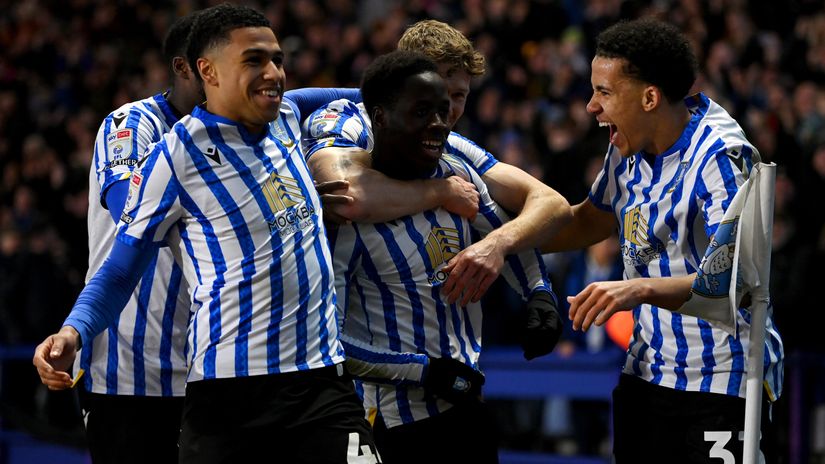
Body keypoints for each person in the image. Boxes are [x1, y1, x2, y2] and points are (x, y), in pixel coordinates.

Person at [32, 4, 379, 463]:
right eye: (255, 61)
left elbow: (312, 96)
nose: (274, 73)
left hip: (319, 381)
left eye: (277, 59)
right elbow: (123, 251)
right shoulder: (163, 147)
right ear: (204, 70)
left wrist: (393, 87)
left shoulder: (285, 119)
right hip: (199, 382)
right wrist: (73, 332)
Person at [539, 18, 784, 463]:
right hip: (646, 374)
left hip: (720, 379)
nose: (591, 106)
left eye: (604, 92)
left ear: (650, 97)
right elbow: (590, 220)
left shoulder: (721, 157)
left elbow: (736, 283)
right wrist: (499, 242)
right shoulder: (625, 145)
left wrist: (636, 289)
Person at [303, 50, 561, 464]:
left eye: (445, 110)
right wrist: (422, 370)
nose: (439, 124)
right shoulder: (342, 213)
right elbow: (325, 341)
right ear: (380, 117)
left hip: (466, 403)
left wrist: (538, 291)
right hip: (384, 422)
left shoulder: (457, 169)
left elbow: (502, 233)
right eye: (423, 111)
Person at [306, 19, 572, 307]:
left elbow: (553, 204)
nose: (446, 110)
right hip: (346, 332)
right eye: (438, 93)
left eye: (458, 96)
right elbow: (349, 196)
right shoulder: (343, 121)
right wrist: (442, 192)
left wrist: (498, 247)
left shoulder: (454, 148)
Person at [72, 12, 202, 464]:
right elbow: (126, 201)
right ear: (184, 67)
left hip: (207, 369)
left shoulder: (236, 136)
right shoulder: (132, 122)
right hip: (125, 369)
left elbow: (303, 99)